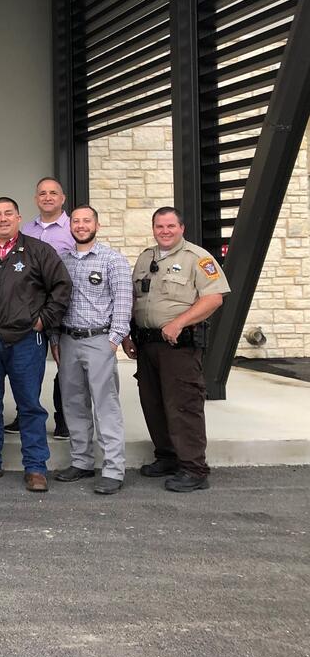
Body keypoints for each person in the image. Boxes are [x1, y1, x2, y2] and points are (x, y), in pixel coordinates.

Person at [0, 196, 71, 493]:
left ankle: (36, 467)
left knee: (29, 406)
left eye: (8, 213)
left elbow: (62, 287)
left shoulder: (39, 251)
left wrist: (43, 321)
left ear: (19, 218)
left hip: (25, 340)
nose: (3, 218)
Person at [123, 207, 230, 493]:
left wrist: (179, 323)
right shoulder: (146, 258)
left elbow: (214, 299)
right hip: (146, 343)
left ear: (181, 228)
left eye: (171, 226)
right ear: (154, 228)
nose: (165, 231)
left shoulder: (198, 258)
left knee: (183, 405)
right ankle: (167, 457)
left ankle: (194, 468)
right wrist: (128, 334)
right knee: (154, 403)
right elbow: (136, 299)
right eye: (160, 226)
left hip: (178, 346)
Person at [53, 205, 132, 495]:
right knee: (73, 403)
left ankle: (113, 468)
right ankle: (82, 462)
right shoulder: (63, 261)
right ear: (70, 226)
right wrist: (54, 339)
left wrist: (114, 340)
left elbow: (123, 304)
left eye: (87, 221)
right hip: (68, 340)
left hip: (100, 340)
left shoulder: (113, 260)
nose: (81, 225)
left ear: (97, 225)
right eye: (76, 221)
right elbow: (57, 302)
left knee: (105, 405)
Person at [4, 176, 75, 440]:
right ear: (35, 199)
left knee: (65, 364)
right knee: (28, 366)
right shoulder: (27, 231)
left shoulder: (73, 227)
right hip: (30, 309)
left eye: (53, 193)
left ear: (62, 198)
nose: (47, 197)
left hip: (63, 306)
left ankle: (64, 418)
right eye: (42, 193)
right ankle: (25, 414)